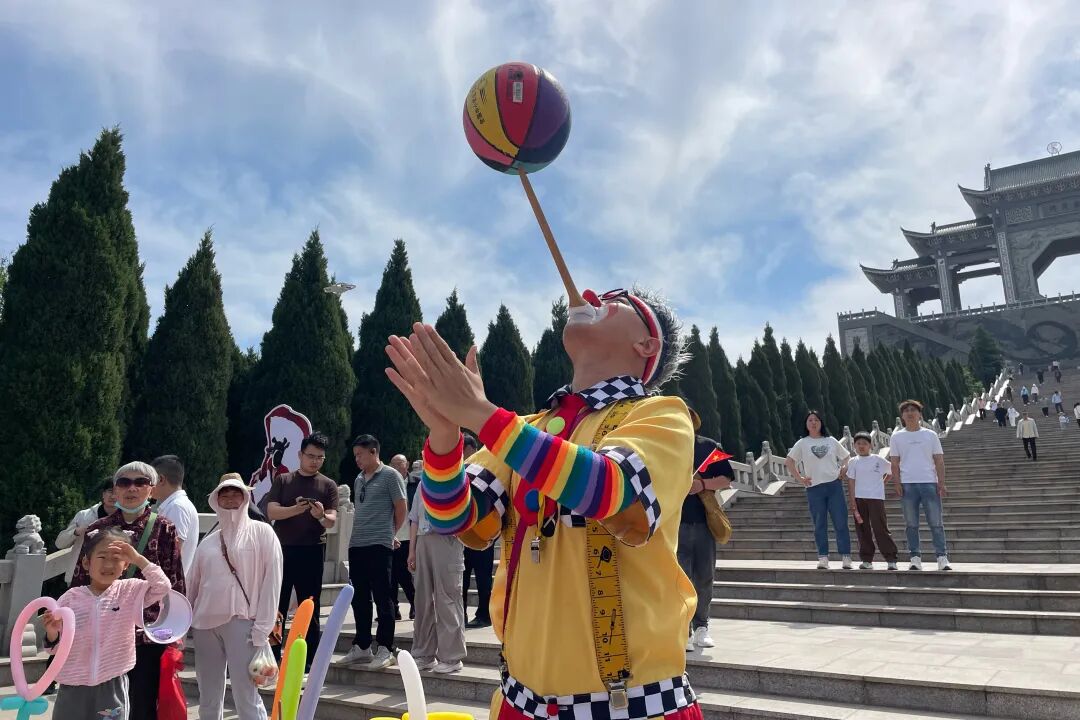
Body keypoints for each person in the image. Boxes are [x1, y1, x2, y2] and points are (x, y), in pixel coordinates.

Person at [388, 286, 701, 720]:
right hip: (519, 700)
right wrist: (444, 436)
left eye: (616, 300)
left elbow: (608, 488)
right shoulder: (526, 428)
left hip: (630, 707)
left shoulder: (661, 415)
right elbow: (456, 516)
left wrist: (480, 414)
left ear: (647, 345)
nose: (590, 296)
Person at [72, 462, 185, 720]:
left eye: (140, 482)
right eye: (124, 482)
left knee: (141, 702)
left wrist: (175, 634)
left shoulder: (164, 528)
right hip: (103, 631)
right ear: (115, 490)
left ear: (151, 490)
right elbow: (80, 579)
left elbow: (175, 582)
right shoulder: (97, 529)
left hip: (146, 634)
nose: (131, 488)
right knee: (102, 705)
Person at [45, 527, 171, 719]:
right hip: (72, 685)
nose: (109, 564)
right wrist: (52, 633)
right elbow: (53, 649)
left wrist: (138, 559)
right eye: (102, 557)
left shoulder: (130, 591)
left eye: (117, 558)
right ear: (86, 563)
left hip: (111, 682)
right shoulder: (70, 598)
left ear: (126, 565)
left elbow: (162, 586)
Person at [189, 474, 283, 720]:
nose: (230, 499)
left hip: (242, 623)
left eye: (236, 494)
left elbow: (272, 582)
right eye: (225, 494)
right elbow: (192, 586)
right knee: (208, 695)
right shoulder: (208, 542)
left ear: (246, 498)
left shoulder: (263, 532)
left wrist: (262, 629)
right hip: (204, 625)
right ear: (216, 499)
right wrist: (180, 625)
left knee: (246, 694)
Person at [266, 431, 338, 671]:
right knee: (277, 604)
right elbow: (272, 511)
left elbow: (331, 520)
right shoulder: (284, 480)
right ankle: (273, 653)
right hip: (283, 549)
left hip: (312, 550)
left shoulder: (328, 484)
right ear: (300, 455)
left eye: (320, 457)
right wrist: (296, 510)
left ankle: (308, 657)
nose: (315, 461)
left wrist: (320, 515)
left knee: (310, 605)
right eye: (311, 456)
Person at [406, 434, 478, 674]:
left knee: (447, 597)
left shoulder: (460, 479)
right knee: (422, 600)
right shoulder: (422, 483)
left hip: (448, 541)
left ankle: (452, 657)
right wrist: (412, 550)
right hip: (423, 542)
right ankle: (423, 653)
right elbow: (414, 518)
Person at [337, 434, 406, 670]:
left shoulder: (391, 475)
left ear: (373, 452)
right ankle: (362, 645)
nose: (357, 459)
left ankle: (385, 647)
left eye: (360, 454)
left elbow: (401, 508)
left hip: (379, 544)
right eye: (355, 455)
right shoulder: (358, 479)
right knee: (360, 598)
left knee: (383, 596)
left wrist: (389, 533)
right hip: (357, 544)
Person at [679, 407, 733, 651]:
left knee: (704, 576)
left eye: (688, 417)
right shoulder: (666, 446)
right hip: (674, 523)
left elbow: (726, 478)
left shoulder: (709, 446)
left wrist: (702, 485)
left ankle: (702, 626)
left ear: (695, 420)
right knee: (681, 579)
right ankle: (684, 630)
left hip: (704, 523)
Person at [785, 410, 853, 570]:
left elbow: (846, 456)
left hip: (834, 485)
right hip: (814, 488)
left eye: (816, 420)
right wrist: (801, 479)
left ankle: (846, 556)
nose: (813, 423)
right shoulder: (802, 443)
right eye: (810, 420)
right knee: (819, 524)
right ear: (806, 424)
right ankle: (823, 557)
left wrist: (844, 468)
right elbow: (789, 461)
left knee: (840, 522)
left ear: (821, 422)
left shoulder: (830, 440)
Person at [889, 400, 950, 572]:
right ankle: (915, 557)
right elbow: (894, 463)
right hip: (907, 484)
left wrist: (941, 482)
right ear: (902, 416)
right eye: (906, 411)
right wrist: (897, 483)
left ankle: (942, 557)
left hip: (929, 482)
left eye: (913, 410)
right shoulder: (897, 437)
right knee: (911, 524)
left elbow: (939, 460)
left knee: (936, 523)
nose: (910, 413)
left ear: (920, 414)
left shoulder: (930, 435)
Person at [842, 432, 897, 570]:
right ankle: (867, 560)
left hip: (876, 499)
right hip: (859, 499)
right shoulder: (853, 461)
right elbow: (851, 482)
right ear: (854, 445)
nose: (861, 446)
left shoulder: (878, 460)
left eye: (865, 443)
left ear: (870, 445)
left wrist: (882, 483)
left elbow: (891, 471)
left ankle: (891, 559)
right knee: (862, 530)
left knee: (880, 529)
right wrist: (853, 502)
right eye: (858, 443)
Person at [461, 433, 495, 630]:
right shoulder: (460, 470)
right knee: (463, 578)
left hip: (484, 531)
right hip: (463, 533)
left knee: (483, 577)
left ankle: (484, 614)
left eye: (461, 450)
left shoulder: (484, 468)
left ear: (470, 449)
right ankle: (461, 613)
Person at [55, 478, 117, 584]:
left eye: (117, 492)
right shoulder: (84, 516)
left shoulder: (126, 519)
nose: (113, 496)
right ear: (103, 494)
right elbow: (60, 544)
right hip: (79, 576)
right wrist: (76, 532)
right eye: (110, 491)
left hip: (112, 577)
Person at [151, 455, 200, 580]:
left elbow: (173, 554)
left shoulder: (177, 507)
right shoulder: (175, 505)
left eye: (150, 480)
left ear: (161, 479)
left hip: (168, 585)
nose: (147, 486)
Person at [388, 453, 417, 621]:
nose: (397, 467)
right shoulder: (387, 482)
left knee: (404, 573)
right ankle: (393, 609)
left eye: (400, 463)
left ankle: (415, 603)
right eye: (393, 464)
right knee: (390, 575)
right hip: (390, 535)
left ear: (407, 465)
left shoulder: (416, 483)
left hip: (408, 536)